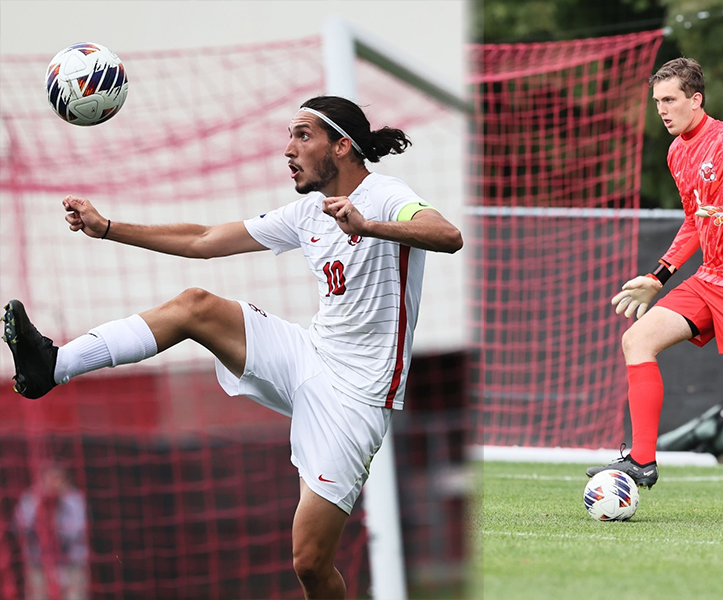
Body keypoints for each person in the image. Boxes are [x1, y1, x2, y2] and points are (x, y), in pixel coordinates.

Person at [2, 95, 464, 598]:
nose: (288, 148)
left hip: (357, 398)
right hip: (308, 355)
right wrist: (108, 229)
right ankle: (52, 365)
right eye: (289, 136)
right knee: (195, 306)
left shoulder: (384, 194)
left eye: (302, 135)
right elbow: (204, 238)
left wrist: (367, 225)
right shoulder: (309, 211)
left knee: (309, 563)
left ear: (343, 146)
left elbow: (446, 233)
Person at [586, 58, 723, 526]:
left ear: (695, 100)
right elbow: (694, 220)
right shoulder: (676, 152)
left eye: (670, 101)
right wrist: (659, 275)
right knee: (637, 340)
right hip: (712, 276)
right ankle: (643, 460)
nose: (662, 110)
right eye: (657, 102)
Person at [14, 464, 89, 600]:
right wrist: (39, 504)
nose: (53, 483)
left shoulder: (74, 499)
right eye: (49, 478)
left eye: (57, 478)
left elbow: (77, 532)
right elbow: (20, 526)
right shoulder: (30, 497)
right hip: (39, 563)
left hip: (70, 563)